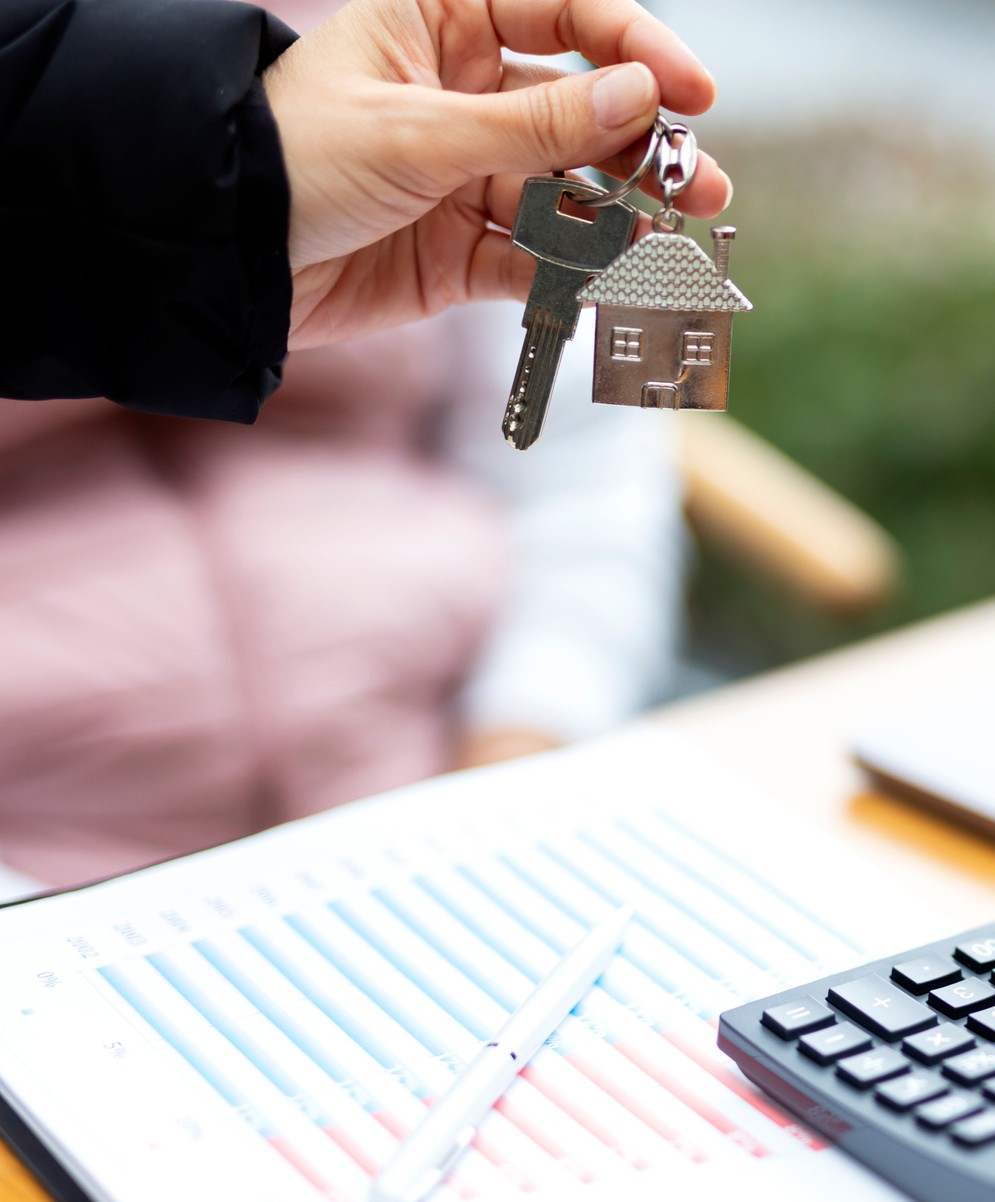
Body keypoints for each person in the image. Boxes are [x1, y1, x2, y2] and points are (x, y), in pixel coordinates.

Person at [0, 0, 724, 889]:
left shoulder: (458, 55)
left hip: (440, 804)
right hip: (45, 864)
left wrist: (525, 742)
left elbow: (588, 474)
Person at [0, 0, 730, 419]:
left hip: (419, 638)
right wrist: (241, 183)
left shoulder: (441, 76)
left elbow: (581, 482)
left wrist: (540, 686)